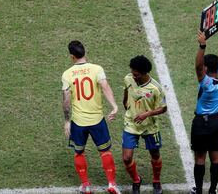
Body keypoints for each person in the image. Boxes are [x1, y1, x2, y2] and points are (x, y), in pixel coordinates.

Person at [61, 40, 121, 194]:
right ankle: (112, 184)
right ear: (84, 52)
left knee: (79, 152)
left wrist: (67, 121)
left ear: (71, 56)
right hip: (97, 120)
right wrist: (114, 106)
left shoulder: (67, 74)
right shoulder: (96, 69)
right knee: (105, 152)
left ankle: (86, 186)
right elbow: (105, 86)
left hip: (79, 122)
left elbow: (66, 98)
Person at [190, 18, 218, 194]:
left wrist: (202, 46)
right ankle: (212, 191)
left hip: (202, 123)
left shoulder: (205, 82)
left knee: (200, 157)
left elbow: (197, 66)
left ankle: (198, 191)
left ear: (206, 68)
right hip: (217, 121)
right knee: (215, 156)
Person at [122, 55, 167, 194]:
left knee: (154, 154)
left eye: (136, 74)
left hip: (150, 127)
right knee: (126, 157)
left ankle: (156, 181)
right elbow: (126, 92)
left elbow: (163, 108)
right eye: (132, 73)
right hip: (131, 124)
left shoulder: (155, 88)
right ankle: (136, 180)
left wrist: (146, 114)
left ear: (145, 73)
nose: (133, 76)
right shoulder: (128, 78)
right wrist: (126, 104)